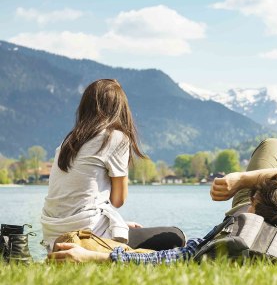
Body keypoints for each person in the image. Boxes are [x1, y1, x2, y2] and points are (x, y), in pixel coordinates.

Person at [49, 138, 277, 263]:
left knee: (273, 145)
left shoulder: (233, 236)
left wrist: (92, 256)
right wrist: (243, 182)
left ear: (251, 208)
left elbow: (168, 258)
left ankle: (266, 186)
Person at [42, 79, 185, 253]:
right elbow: (118, 200)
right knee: (176, 236)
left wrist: (118, 225)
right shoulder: (115, 137)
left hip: (54, 237)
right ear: (120, 108)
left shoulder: (68, 142)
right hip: (86, 235)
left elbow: (79, 201)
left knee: (133, 231)